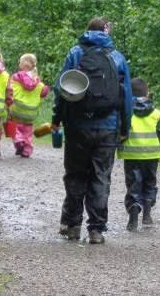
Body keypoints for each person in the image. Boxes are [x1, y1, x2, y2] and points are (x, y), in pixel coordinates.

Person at [52, 17, 133, 244]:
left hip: (77, 126)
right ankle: (96, 230)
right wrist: (125, 128)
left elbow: (62, 90)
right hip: (107, 127)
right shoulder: (116, 58)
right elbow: (126, 96)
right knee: (101, 177)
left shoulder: (76, 53)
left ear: (87, 31)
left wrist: (56, 119)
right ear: (107, 32)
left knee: (76, 175)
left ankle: (72, 225)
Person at [117, 77, 160, 232]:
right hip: (152, 156)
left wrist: (118, 147)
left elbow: (121, 131)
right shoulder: (157, 113)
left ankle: (133, 219)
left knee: (133, 184)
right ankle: (147, 214)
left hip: (131, 155)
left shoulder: (127, 111)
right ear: (147, 93)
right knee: (149, 182)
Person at [6, 53, 50, 158]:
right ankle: (27, 150)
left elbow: (9, 90)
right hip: (30, 113)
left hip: (16, 110)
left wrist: (7, 102)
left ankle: (18, 141)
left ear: (20, 66)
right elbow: (44, 92)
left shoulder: (15, 78)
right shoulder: (38, 81)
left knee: (11, 125)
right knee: (28, 132)